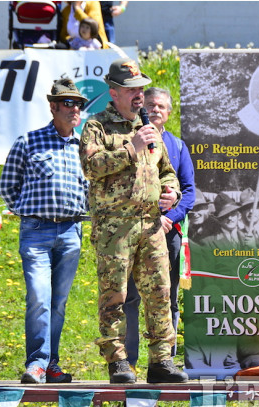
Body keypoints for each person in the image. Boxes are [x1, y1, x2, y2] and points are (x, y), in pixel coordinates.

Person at [79, 58, 188, 384]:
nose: (138, 95)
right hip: (115, 227)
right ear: (114, 92)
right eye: (131, 90)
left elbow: (167, 171)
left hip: (151, 224)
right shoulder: (97, 126)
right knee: (114, 296)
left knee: (160, 294)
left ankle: (161, 361)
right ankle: (118, 362)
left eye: (140, 88)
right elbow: (91, 166)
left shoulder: (148, 128)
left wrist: (172, 192)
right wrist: (131, 147)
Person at [0, 78, 89, 384]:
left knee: (59, 302)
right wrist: (30, 212)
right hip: (36, 231)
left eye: (78, 104)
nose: (75, 109)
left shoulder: (86, 149)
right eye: (68, 103)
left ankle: (51, 364)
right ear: (53, 107)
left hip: (71, 232)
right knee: (39, 296)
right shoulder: (28, 141)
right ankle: (36, 363)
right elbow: (7, 187)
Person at [124, 87, 196, 368]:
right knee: (130, 297)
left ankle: (166, 359)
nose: (155, 110)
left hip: (168, 232)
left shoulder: (177, 146)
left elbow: (188, 191)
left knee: (169, 296)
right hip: (132, 232)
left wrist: (170, 217)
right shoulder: (130, 140)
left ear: (169, 113)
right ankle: (129, 360)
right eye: (151, 105)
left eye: (161, 107)